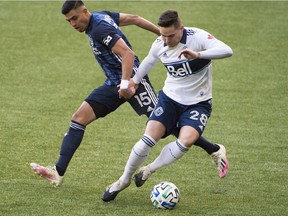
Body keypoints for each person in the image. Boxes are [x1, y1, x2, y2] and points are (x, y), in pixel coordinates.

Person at [30, 1, 227, 187]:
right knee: (78, 118)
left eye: (74, 18)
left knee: (167, 125)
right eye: (68, 21)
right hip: (113, 85)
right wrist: (161, 35)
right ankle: (58, 171)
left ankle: (214, 150)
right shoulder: (102, 16)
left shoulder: (100, 28)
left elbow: (128, 55)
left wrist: (127, 84)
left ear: (84, 11)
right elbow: (134, 18)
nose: (72, 24)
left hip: (133, 83)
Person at [102, 9, 233, 202]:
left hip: (198, 103)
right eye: (162, 35)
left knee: (186, 141)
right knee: (148, 138)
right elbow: (148, 61)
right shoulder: (160, 43)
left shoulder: (197, 37)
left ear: (181, 29)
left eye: (170, 36)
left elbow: (227, 50)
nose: (165, 40)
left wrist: (198, 55)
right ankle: (123, 180)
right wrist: (135, 81)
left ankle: (150, 169)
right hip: (169, 99)